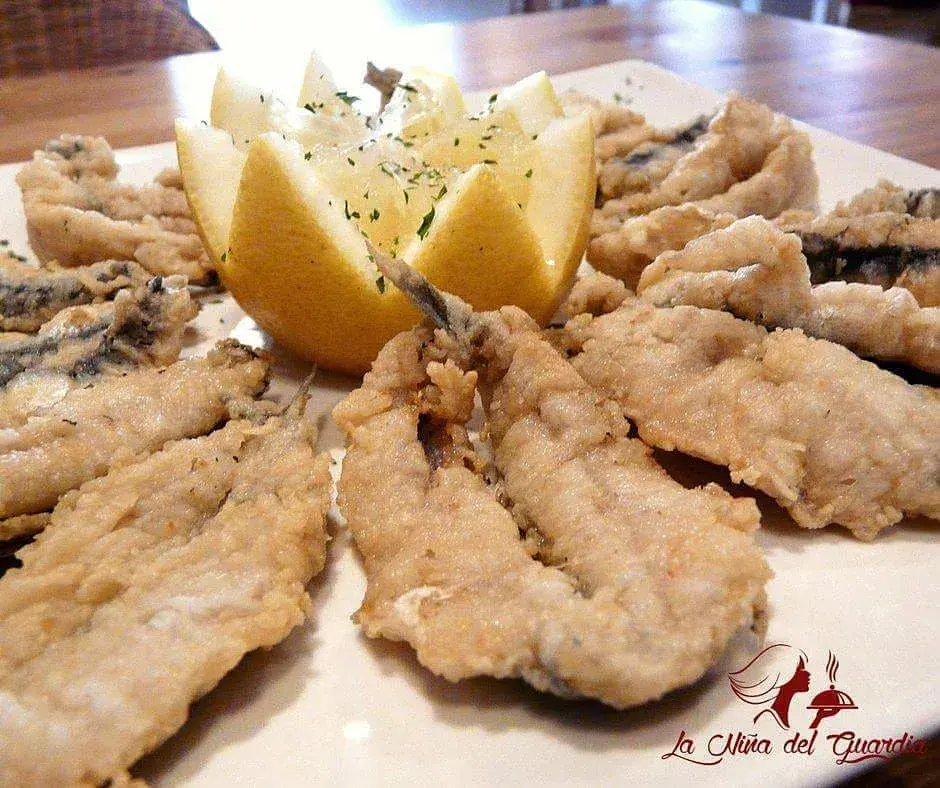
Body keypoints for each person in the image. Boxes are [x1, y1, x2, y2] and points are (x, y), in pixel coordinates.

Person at [728, 644, 811, 730]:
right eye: (801, 670)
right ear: (784, 677)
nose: (808, 674)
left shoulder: (796, 713)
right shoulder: (766, 719)